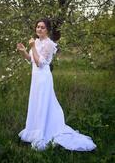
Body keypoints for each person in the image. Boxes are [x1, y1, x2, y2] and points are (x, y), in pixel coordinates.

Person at [17, 18, 97, 151]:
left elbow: (39, 63)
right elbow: (31, 60)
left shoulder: (49, 44)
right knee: (36, 102)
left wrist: (32, 47)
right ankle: (34, 129)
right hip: (35, 78)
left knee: (43, 102)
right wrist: (24, 51)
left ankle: (44, 130)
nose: (39, 29)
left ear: (47, 30)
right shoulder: (36, 42)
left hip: (43, 78)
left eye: (42, 27)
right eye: (38, 27)